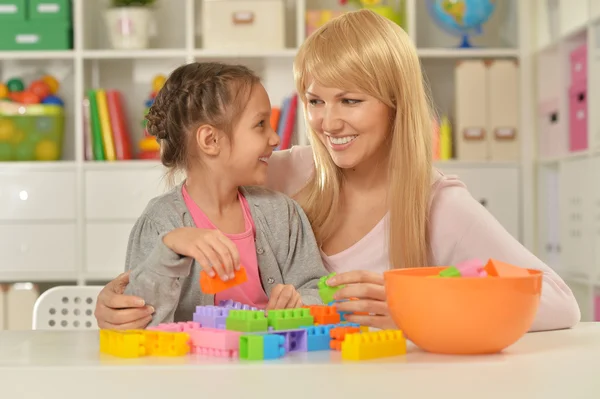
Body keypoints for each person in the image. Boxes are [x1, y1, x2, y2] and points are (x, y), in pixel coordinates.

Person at [95, 9, 580, 331]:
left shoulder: (438, 204)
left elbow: (561, 304)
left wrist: (420, 307)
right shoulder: (276, 176)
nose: (328, 122)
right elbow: (178, 225)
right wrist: (113, 307)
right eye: (314, 101)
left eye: (351, 100)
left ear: (396, 105)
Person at [120, 62, 329, 326]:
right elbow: (139, 321)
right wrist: (169, 251)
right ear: (210, 140)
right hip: (196, 366)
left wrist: (300, 301)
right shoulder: (161, 223)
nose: (275, 138)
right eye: (260, 124)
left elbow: (316, 288)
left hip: (273, 361)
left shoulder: (282, 213)